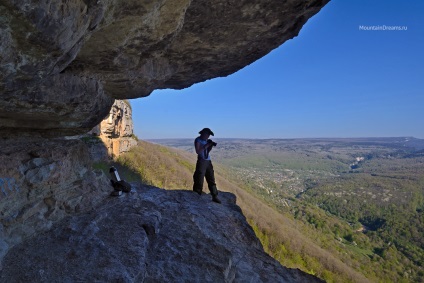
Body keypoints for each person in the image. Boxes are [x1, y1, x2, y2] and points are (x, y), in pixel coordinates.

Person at [192, 128, 221, 203]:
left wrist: (209, 146)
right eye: (207, 134)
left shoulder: (206, 141)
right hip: (201, 161)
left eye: (209, 135)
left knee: (211, 178)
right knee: (199, 177)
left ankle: (214, 195)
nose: (208, 136)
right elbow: (198, 151)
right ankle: (197, 195)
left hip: (208, 161)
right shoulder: (198, 140)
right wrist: (206, 145)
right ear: (203, 133)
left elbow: (206, 152)